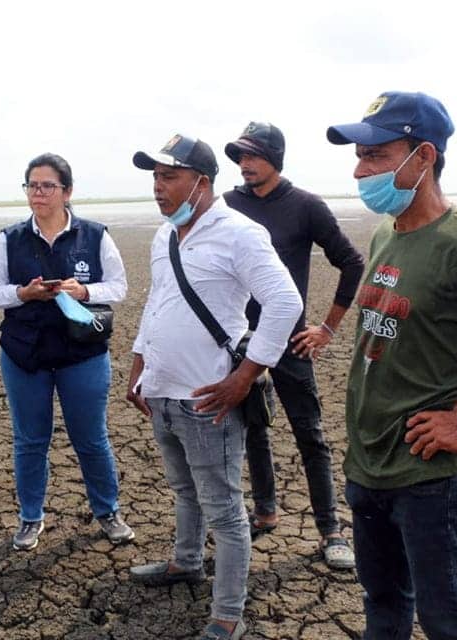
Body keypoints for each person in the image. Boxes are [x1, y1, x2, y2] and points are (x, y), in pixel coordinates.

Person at [327, 91, 457, 639]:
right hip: (369, 467)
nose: (360, 171)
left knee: (452, 624)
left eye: (376, 156)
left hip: (432, 480)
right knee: (383, 607)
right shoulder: (385, 233)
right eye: (359, 158)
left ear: (425, 156)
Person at [126, 134, 302, 640]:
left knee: (224, 512)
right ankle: (185, 563)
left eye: (169, 176)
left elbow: (285, 303)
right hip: (163, 392)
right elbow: (157, 302)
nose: (157, 187)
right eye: (155, 177)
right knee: (184, 490)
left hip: (209, 399)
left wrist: (244, 377)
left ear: (201, 182)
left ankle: (227, 616)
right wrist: (139, 364)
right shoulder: (165, 236)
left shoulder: (240, 234)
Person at [223, 122, 364, 570]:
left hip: (290, 343)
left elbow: (352, 263)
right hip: (242, 343)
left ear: (275, 159)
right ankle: (265, 511)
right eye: (240, 157)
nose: (245, 164)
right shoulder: (228, 206)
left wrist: (327, 329)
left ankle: (330, 530)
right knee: (255, 429)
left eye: (253, 156)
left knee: (311, 436)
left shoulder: (305, 206)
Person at [0, 153, 135, 551]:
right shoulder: (10, 238)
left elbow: (118, 286)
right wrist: (23, 293)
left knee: (91, 439)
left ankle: (108, 512)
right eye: (32, 185)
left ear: (67, 191)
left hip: (82, 353)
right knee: (30, 440)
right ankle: (30, 517)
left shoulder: (94, 236)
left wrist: (83, 291)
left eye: (48, 185)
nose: (39, 193)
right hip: (25, 354)